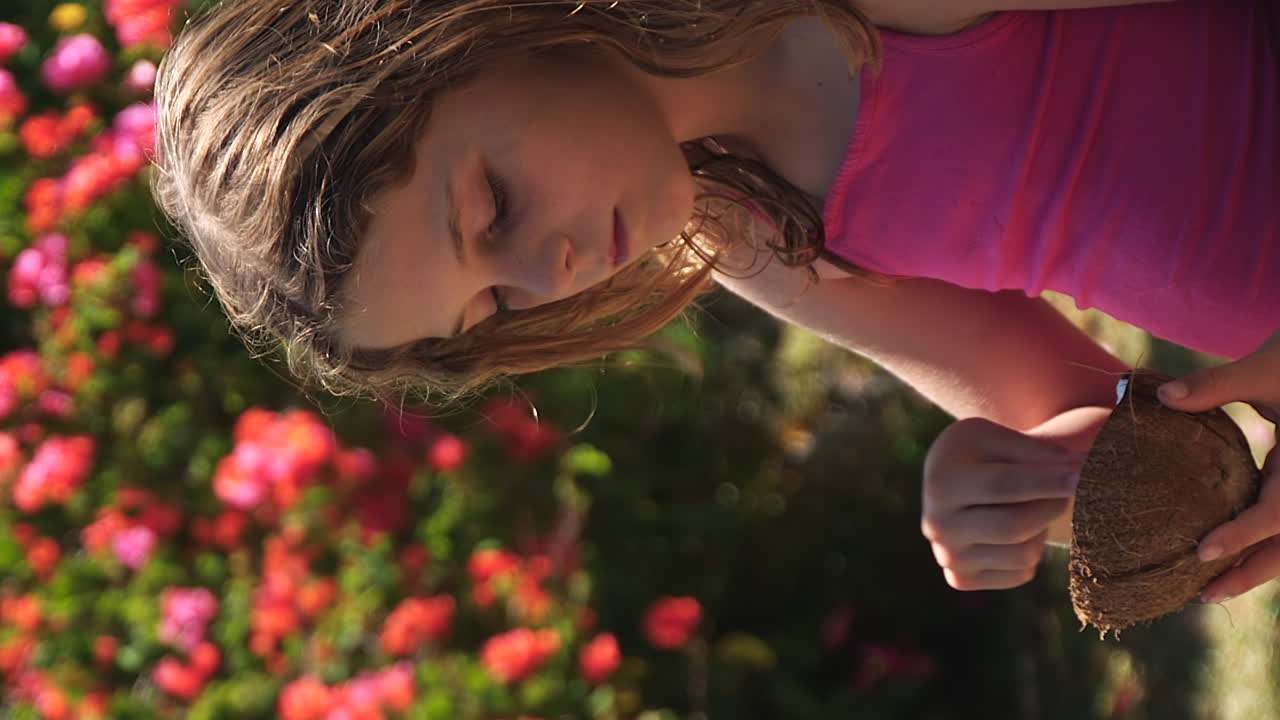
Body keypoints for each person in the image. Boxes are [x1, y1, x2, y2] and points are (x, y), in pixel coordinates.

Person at [152, 0, 1280, 606]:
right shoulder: (756, 233)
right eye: (492, 298)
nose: (548, 275)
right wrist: (1025, 473)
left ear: (467, 29)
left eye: (492, 207)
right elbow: (1142, 423)